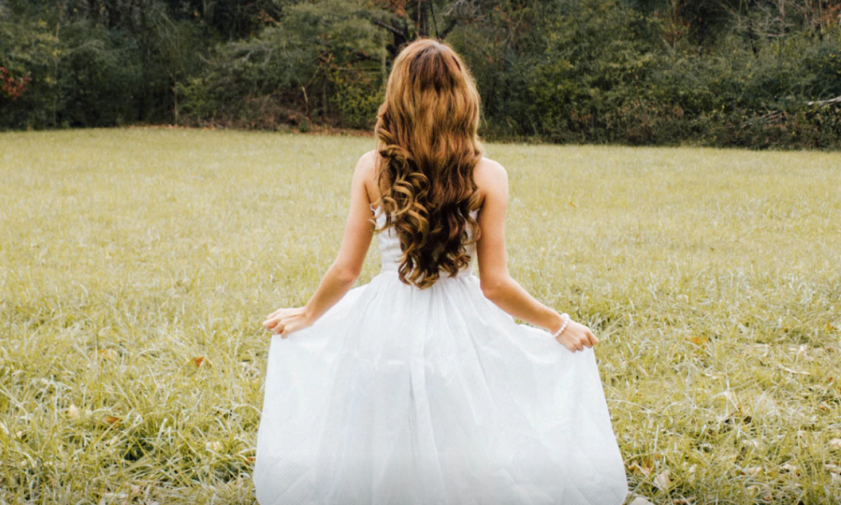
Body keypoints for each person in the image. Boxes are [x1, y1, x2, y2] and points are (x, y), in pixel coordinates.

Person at [253, 37, 628, 505]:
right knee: (463, 419)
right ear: (462, 98)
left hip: (385, 322)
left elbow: (347, 270)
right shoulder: (489, 175)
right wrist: (558, 324)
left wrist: (309, 314)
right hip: (462, 321)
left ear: (398, 98)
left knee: (384, 421)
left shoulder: (372, 168)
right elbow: (494, 285)